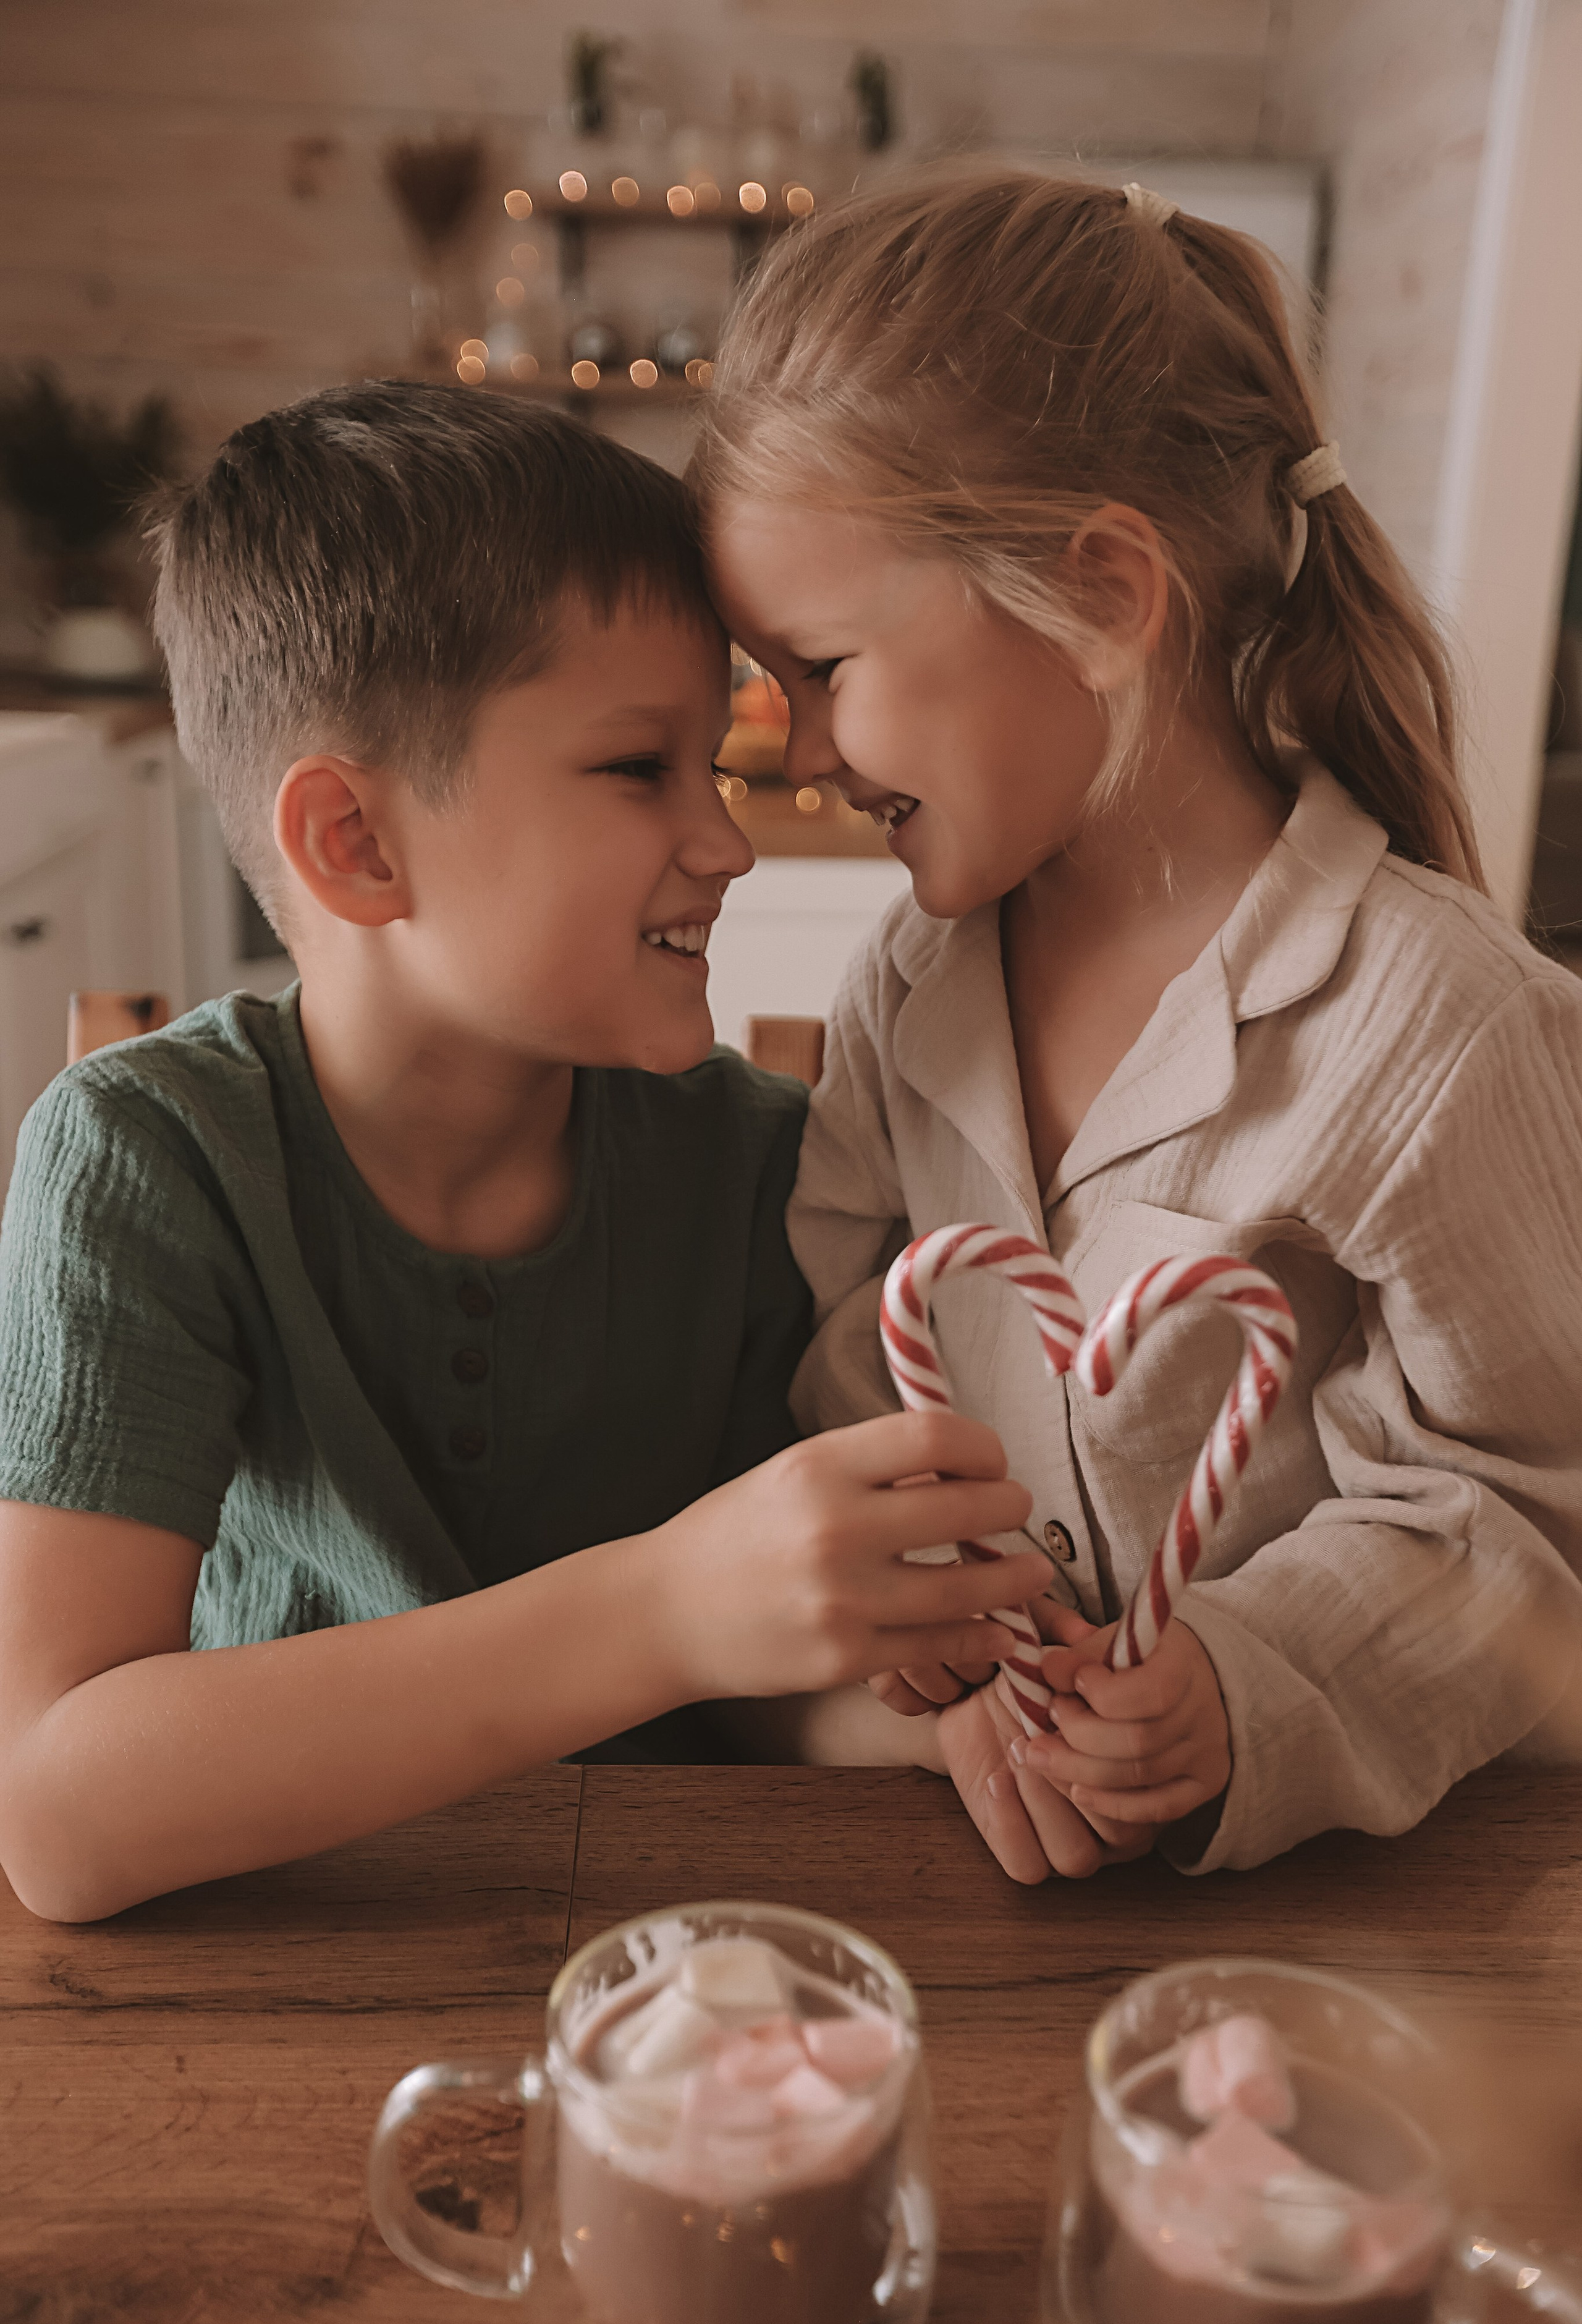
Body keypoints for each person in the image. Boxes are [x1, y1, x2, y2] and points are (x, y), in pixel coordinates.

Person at [0, 384, 1043, 1923]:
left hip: (675, 1958)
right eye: (640, 769)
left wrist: (928, 1729)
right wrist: (666, 1608)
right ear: (354, 843)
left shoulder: (765, 1170)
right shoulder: (145, 1162)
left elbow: (745, 1683)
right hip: (282, 1976)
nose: (728, 842)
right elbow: (61, 1813)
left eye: (722, 766)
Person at [698, 169, 1582, 1883]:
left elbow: (1530, 1513)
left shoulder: (1442, 1031)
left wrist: (1252, 1684)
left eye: (821, 667)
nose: (797, 752)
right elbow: (843, 1359)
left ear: (1101, 595)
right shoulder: (906, 982)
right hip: (971, 1867)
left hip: (1361, 1932)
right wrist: (918, 1612)